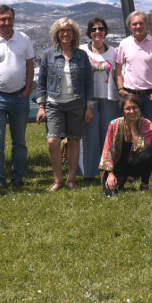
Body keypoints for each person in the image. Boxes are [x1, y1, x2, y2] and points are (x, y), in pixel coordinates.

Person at [35, 18, 95, 192]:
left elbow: (88, 82)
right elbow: (42, 81)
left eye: (69, 30)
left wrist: (89, 106)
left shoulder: (82, 55)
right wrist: (41, 106)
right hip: (54, 104)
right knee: (53, 141)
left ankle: (71, 180)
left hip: (77, 103)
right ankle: (58, 180)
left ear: (74, 33)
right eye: (62, 30)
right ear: (56, 33)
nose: (65, 33)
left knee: (74, 141)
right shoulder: (49, 54)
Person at [115, 11, 152, 182]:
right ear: (129, 26)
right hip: (131, 97)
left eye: (140, 23)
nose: (137, 26)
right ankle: (131, 171)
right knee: (129, 135)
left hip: (151, 96)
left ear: (146, 24)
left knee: (151, 136)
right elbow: (118, 70)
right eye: (134, 24)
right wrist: (120, 89)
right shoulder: (124, 44)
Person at [0, 5, 34, 189]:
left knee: (19, 141)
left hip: (20, 97)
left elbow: (30, 66)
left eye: (9, 18)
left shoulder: (23, 38)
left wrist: (28, 90)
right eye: (2, 19)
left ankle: (18, 177)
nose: (6, 22)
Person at [79, 18, 120, 180]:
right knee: (89, 137)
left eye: (100, 28)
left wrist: (122, 92)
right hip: (89, 99)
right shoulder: (82, 50)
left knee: (108, 136)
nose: (97, 32)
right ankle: (88, 173)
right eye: (94, 29)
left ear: (105, 31)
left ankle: (109, 172)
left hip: (110, 98)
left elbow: (118, 74)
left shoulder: (113, 51)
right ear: (89, 32)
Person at [100, 93, 152, 195]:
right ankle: (120, 179)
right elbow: (107, 150)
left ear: (139, 108)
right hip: (118, 165)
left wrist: (133, 127)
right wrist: (110, 174)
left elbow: (142, 148)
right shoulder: (114, 124)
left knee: (146, 157)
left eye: (134, 108)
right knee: (110, 193)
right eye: (128, 109)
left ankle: (144, 184)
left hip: (135, 165)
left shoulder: (147, 124)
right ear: (123, 111)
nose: (132, 111)